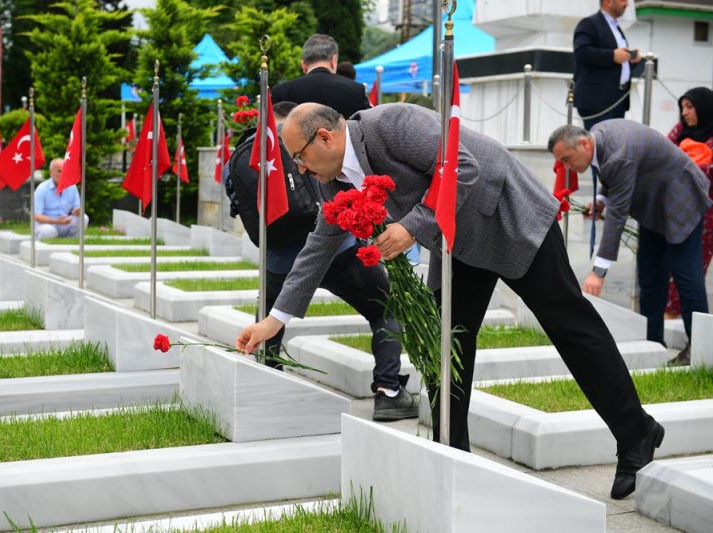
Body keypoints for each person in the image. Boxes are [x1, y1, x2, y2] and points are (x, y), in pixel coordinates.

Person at [237, 102, 665, 500]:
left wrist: (409, 228)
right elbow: (320, 243)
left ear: (326, 137)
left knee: (572, 329)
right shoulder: (333, 183)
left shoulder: (392, 124)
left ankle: (636, 433)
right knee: (445, 346)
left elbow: (462, 167)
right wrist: (274, 320)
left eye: (299, 156)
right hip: (456, 244)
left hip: (506, 216)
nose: (299, 168)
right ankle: (452, 456)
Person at [225, 101, 417, 422]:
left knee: (271, 325)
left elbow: (235, 200)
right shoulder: (326, 120)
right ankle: (388, 391)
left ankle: (268, 383)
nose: (299, 165)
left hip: (278, 260)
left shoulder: (250, 148)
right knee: (384, 309)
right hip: (341, 251)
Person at [549, 121, 711, 366]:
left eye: (567, 159)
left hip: (680, 200)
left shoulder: (618, 154)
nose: (566, 167)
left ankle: (702, 353)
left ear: (583, 143)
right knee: (649, 276)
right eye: (562, 162)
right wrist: (602, 198)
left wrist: (599, 271)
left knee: (686, 277)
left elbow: (618, 213)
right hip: (652, 205)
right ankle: (653, 344)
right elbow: (611, 175)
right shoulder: (598, 138)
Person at [664, 87, 713, 334]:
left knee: (690, 274)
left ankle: (692, 337)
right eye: (682, 107)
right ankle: (671, 330)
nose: (685, 113)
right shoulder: (679, 130)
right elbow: (662, 153)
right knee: (666, 272)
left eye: (690, 107)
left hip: (705, 217)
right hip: (673, 212)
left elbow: (703, 173)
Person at [573, 0, 643, 129]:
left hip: (617, 99)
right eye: (623, 0)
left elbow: (616, 63)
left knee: (612, 144)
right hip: (596, 101)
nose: (627, 4)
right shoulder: (589, 24)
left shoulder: (615, 27)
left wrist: (630, 61)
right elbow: (581, 52)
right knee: (600, 144)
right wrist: (612, 56)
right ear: (608, 2)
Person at [272, 34, 371, 119]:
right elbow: (366, 128)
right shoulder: (356, 90)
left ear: (303, 64)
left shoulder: (281, 91)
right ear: (333, 60)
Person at [33, 158, 89, 240]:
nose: (63, 174)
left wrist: (77, 211)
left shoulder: (72, 187)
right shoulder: (42, 188)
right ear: (51, 173)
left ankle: (72, 240)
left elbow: (77, 208)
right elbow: (36, 216)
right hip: (46, 224)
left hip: (64, 222)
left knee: (84, 218)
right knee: (48, 231)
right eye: (59, 171)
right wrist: (55, 221)